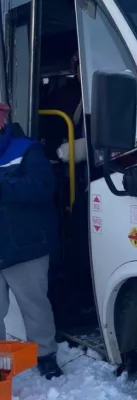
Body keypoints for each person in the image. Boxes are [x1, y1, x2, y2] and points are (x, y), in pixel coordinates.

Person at [0, 103, 63, 379]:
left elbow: (43, 186)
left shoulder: (26, 148)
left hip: (25, 245)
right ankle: (2, 361)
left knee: (34, 305)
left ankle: (45, 355)